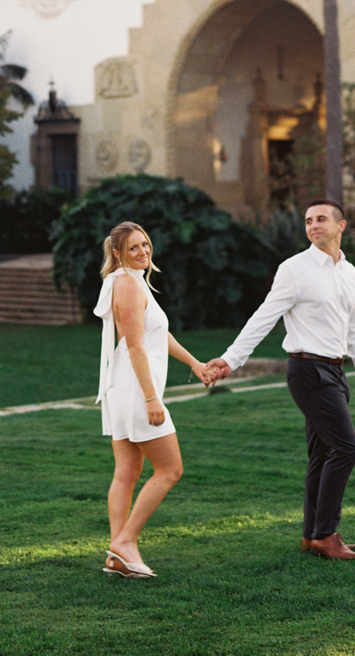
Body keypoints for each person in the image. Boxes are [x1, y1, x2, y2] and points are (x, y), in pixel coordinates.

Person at [207, 199, 355, 561]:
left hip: (335, 370)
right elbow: (264, 316)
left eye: (321, 219)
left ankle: (311, 536)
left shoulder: (350, 273)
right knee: (347, 449)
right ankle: (326, 534)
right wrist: (230, 359)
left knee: (322, 454)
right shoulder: (294, 269)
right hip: (307, 371)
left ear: (341, 226)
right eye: (308, 221)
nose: (313, 225)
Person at [94, 220, 214, 579]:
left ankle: (119, 556)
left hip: (124, 387)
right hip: (134, 390)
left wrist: (194, 362)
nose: (143, 251)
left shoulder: (132, 281)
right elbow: (134, 346)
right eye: (133, 247)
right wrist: (151, 399)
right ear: (118, 253)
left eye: (145, 244)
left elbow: (158, 336)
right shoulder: (128, 286)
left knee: (127, 472)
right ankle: (126, 541)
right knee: (170, 469)